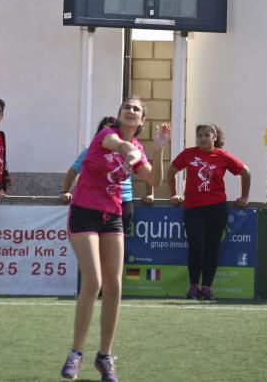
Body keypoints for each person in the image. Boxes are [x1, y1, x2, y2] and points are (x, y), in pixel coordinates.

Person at [60, 97, 170, 382]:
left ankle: (104, 356)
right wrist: (130, 153)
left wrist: (157, 150)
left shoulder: (140, 147)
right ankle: (76, 353)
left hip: (113, 215)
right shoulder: (106, 135)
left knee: (114, 285)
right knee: (93, 282)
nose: (130, 111)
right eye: (127, 107)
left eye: (136, 109)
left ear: (142, 120)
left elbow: (154, 181)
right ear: (119, 115)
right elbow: (121, 147)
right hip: (84, 212)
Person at [167, 123, 250, 302]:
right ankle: (193, 287)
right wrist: (174, 193)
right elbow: (171, 171)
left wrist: (244, 197)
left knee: (212, 248)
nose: (203, 138)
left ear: (215, 137)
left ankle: (207, 288)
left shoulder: (222, 156)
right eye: (200, 135)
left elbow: (245, 172)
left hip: (216, 208)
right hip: (193, 208)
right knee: (196, 246)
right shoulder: (188, 154)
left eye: (207, 135)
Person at [59, 116, 153, 232]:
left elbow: (148, 172)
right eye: (105, 130)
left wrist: (150, 194)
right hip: (96, 200)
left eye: (113, 130)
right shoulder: (90, 150)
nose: (109, 134)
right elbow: (73, 170)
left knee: (118, 238)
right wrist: (65, 191)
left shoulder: (130, 148)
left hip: (124, 200)